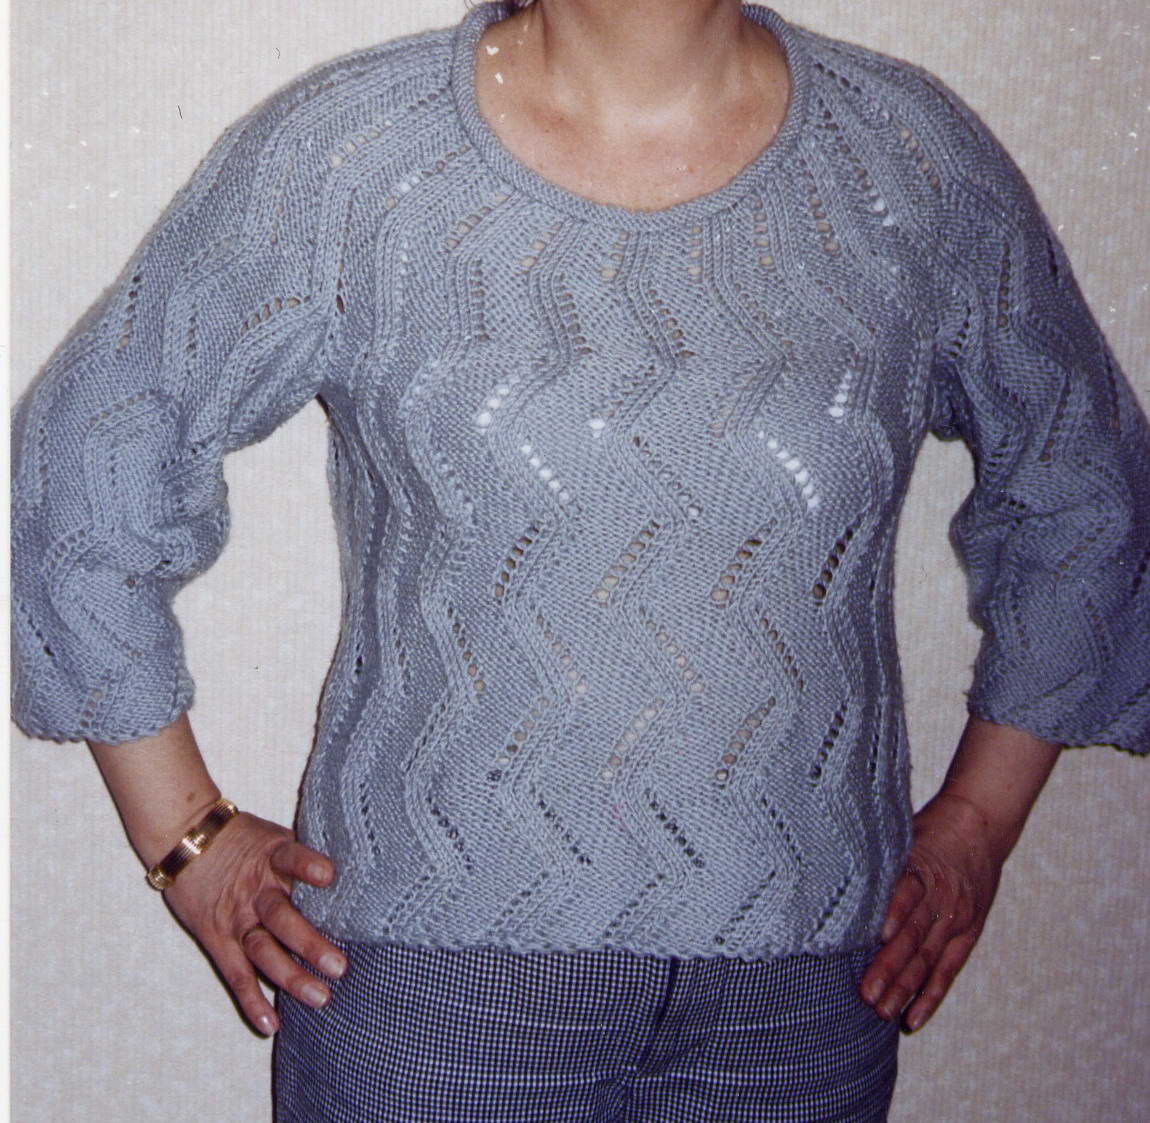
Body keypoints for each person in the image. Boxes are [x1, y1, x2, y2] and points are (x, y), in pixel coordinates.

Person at [11, 0, 1150, 1119]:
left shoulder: (908, 163)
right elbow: (93, 456)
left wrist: (979, 822)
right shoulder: (355, 158)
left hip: (806, 994)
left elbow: (1085, 496)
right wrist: (188, 839)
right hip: (438, 988)